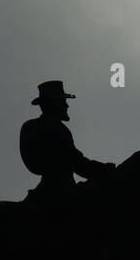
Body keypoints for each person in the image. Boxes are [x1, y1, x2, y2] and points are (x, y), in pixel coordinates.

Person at [19, 80, 115, 224]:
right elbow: (77, 162)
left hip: (50, 190)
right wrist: (103, 170)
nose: (66, 105)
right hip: (59, 192)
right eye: (63, 101)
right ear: (53, 103)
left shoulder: (34, 126)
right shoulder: (55, 129)